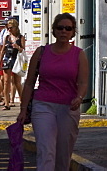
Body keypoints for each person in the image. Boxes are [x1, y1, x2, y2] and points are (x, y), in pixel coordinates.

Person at [17, 13, 89, 171]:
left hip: (68, 108)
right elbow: (29, 83)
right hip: (43, 105)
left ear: (73, 32)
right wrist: (23, 109)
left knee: (63, 154)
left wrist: (79, 97)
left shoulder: (78, 54)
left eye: (68, 28)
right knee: (46, 150)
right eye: (60, 28)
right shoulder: (41, 52)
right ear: (54, 31)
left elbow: (83, 82)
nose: (64, 31)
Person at [1, 18, 26, 109]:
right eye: (8, 28)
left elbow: (23, 49)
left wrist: (17, 47)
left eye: (11, 28)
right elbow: (3, 49)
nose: (9, 30)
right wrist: (0, 61)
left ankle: (22, 101)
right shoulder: (7, 37)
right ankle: (6, 103)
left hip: (17, 59)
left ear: (16, 27)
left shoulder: (20, 37)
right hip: (7, 58)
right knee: (6, 81)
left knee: (17, 82)